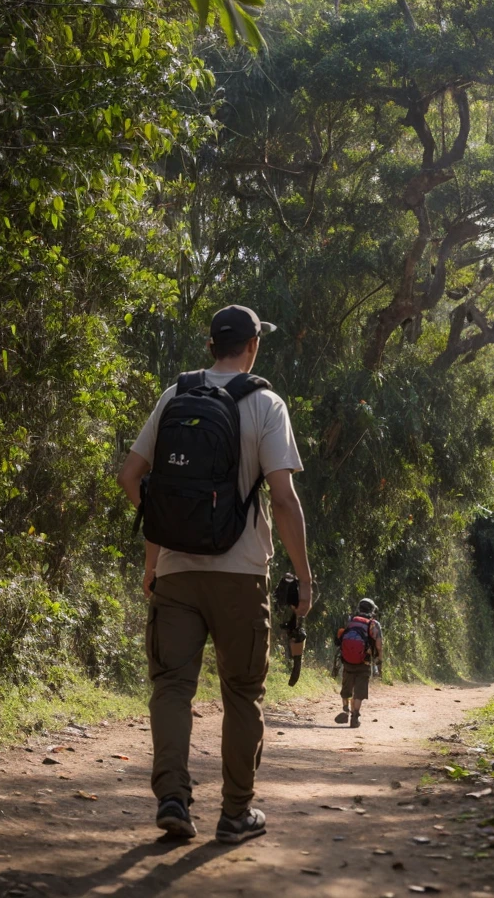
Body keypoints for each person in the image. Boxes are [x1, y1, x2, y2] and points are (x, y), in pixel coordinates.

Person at [117, 304, 312, 845]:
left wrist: (156, 560)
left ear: (211, 347)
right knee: (242, 694)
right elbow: (283, 497)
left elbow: (133, 478)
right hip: (240, 573)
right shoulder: (266, 404)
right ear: (253, 346)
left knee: (172, 688)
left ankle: (174, 798)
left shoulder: (173, 397)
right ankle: (234, 814)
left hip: (176, 575)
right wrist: (304, 578)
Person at [334, 598, 383, 728]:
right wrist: (379, 661)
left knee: (347, 687)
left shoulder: (351, 620)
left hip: (348, 660)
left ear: (359, 608)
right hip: (364, 661)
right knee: (359, 691)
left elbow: (341, 637)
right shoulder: (374, 624)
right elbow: (378, 645)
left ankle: (345, 708)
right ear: (372, 610)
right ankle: (355, 716)